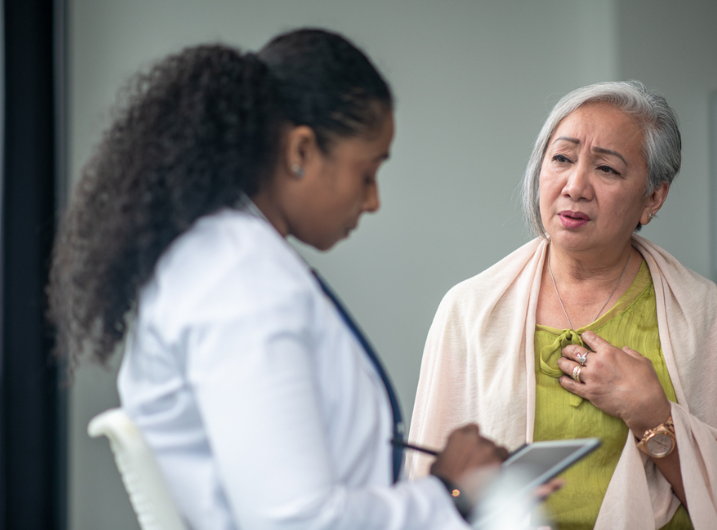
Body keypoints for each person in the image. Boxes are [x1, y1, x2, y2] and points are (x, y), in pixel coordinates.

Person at [48, 28, 512, 529]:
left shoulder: (225, 259)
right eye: (367, 172)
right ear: (301, 151)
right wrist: (447, 491)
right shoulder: (241, 280)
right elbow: (295, 521)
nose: (373, 200)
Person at [406, 80, 717, 529]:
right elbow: (425, 492)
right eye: (562, 159)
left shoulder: (703, 312)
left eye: (606, 169)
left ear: (653, 197)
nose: (575, 185)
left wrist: (654, 417)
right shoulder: (470, 310)